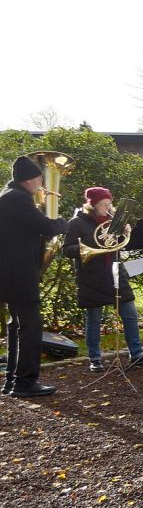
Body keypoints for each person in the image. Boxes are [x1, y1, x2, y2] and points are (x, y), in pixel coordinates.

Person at [63, 187, 143, 372]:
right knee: (94, 319)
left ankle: (136, 354)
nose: (107, 207)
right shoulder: (77, 223)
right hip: (91, 276)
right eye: (103, 204)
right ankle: (95, 358)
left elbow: (120, 244)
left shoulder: (115, 221)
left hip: (115, 272)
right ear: (92, 205)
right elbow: (67, 249)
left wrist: (126, 232)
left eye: (109, 204)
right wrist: (90, 246)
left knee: (130, 314)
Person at [0, 156, 69, 397]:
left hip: (10, 273)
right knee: (30, 326)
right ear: (29, 179)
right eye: (40, 177)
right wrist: (65, 222)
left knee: (17, 325)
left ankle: (12, 380)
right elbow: (48, 227)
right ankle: (25, 382)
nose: (42, 182)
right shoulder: (18, 199)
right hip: (18, 273)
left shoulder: (8, 196)